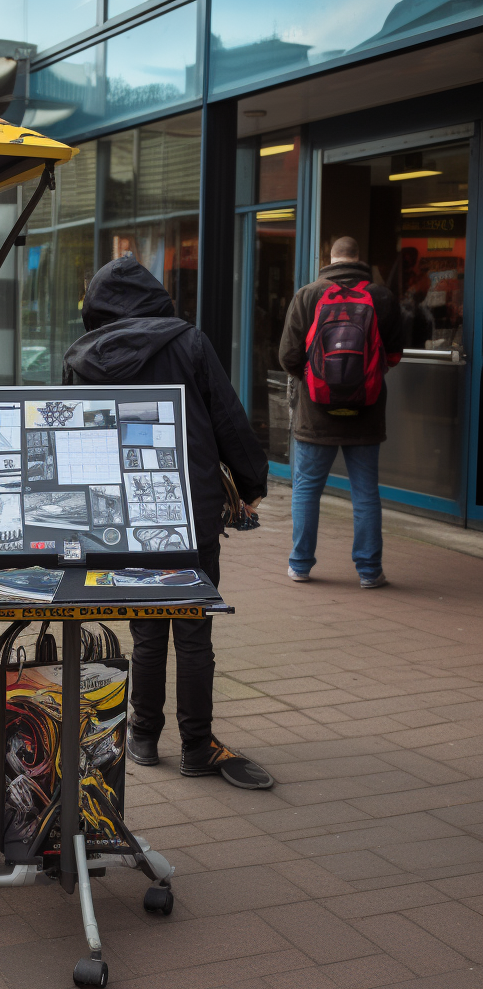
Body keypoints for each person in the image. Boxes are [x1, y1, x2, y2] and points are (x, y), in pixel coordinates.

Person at [63, 254, 272, 789]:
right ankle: (198, 746)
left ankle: (142, 734)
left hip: (121, 515)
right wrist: (250, 485)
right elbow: (227, 416)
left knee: (147, 626)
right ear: (154, 296)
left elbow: (67, 443)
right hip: (189, 508)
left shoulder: (81, 356)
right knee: (194, 630)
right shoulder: (190, 343)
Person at [278, 236, 403, 588]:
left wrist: (313, 379)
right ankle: (368, 572)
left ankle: (300, 565)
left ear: (329, 259)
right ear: (358, 258)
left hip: (316, 414)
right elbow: (393, 354)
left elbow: (288, 355)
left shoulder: (307, 294)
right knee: (365, 493)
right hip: (366, 411)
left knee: (306, 490)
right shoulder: (381, 297)